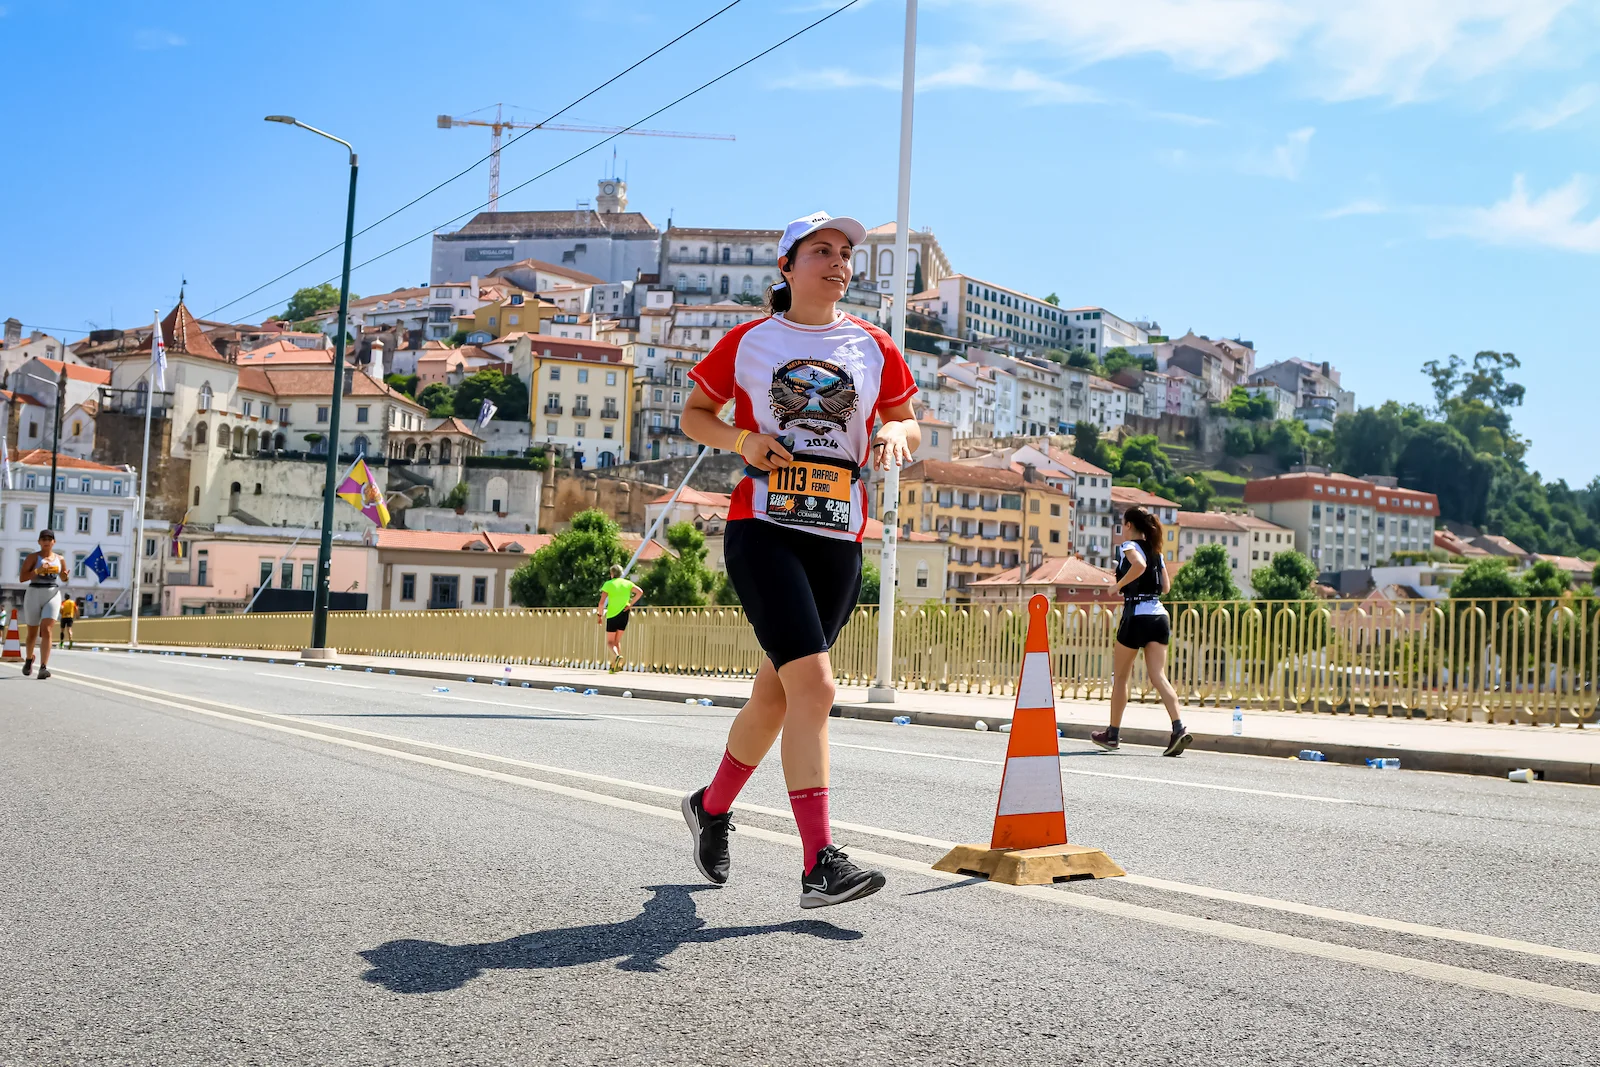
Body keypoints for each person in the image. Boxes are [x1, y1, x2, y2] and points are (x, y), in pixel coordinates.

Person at [677, 210, 920, 909]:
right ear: (787, 266)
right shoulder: (751, 340)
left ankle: (710, 804)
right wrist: (742, 443)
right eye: (822, 250)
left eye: (846, 253)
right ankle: (820, 862)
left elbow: (905, 413)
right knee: (815, 687)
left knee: (778, 694)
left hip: (840, 533)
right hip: (765, 526)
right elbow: (696, 413)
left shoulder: (874, 344)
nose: (839, 262)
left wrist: (897, 435)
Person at [1092, 507, 1192, 757]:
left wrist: (1117, 586)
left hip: (1136, 614)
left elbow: (1137, 565)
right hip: (1159, 616)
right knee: (1158, 676)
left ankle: (1112, 734)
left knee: (1122, 677)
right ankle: (1178, 728)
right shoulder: (1157, 552)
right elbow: (1166, 587)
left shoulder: (1128, 546)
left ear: (1128, 525)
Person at [20, 530, 66, 680]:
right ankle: (28, 659)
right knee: (32, 632)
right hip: (34, 593)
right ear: (39, 542)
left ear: (54, 542)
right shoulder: (33, 557)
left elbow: (64, 577)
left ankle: (43, 667)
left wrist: (65, 575)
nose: (46, 541)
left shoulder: (60, 559)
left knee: (46, 629)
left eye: (49, 539)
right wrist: (37, 571)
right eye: (43, 539)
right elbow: (22, 578)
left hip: (52, 593)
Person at [597, 564, 643, 672]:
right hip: (624, 613)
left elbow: (601, 603)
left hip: (612, 614)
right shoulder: (627, 583)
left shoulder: (608, 584)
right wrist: (630, 604)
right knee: (617, 641)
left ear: (612, 573)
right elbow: (640, 592)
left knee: (610, 642)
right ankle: (615, 666)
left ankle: (617, 656)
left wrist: (599, 615)